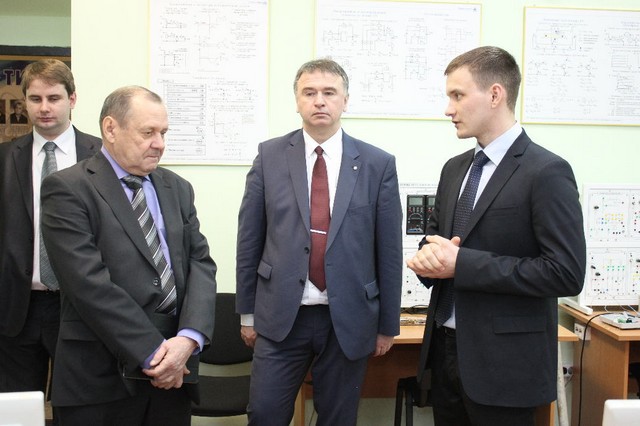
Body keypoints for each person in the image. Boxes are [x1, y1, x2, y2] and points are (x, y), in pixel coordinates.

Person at [406, 46, 586, 426]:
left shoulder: (546, 171)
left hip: (505, 367)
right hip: (444, 353)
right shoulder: (454, 169)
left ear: (494, 95)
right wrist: (427, 258)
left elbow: (565, 273)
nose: (448, 109)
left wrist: (462, 264)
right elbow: (436, 240)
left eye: (457, 95)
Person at [236, 58, 403, 426]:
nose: (319, 101)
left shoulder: (377, 164)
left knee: (338, 419)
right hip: (281, 316)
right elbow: (249, 239)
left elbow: (389, 251)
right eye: (309, 93)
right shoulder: (269, 156)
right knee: (264, 414)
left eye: (329, 92)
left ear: (346, 100)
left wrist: (387, 324)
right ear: (297, 101)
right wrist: (247, 314)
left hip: (348, 318)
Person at [40, 86, 217, 426]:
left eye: (163, 133)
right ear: (111, 128)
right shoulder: (68, 188)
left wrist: (188, 339)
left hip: (174, 375)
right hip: (100, 380)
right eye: (148, 133)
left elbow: (200, 265)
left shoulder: (177, 188)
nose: (159, 143)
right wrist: (155, 354)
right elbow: (88, 284)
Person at [0, 59, 101, 424]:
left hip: (80, 307)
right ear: (25, 101)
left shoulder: (102, 155)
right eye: (35, 98)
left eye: (54, 98)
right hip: (17, 309)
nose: (44, 108)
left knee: (79, 409)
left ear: (72, 99)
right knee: (17, 411)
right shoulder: (5, 158)